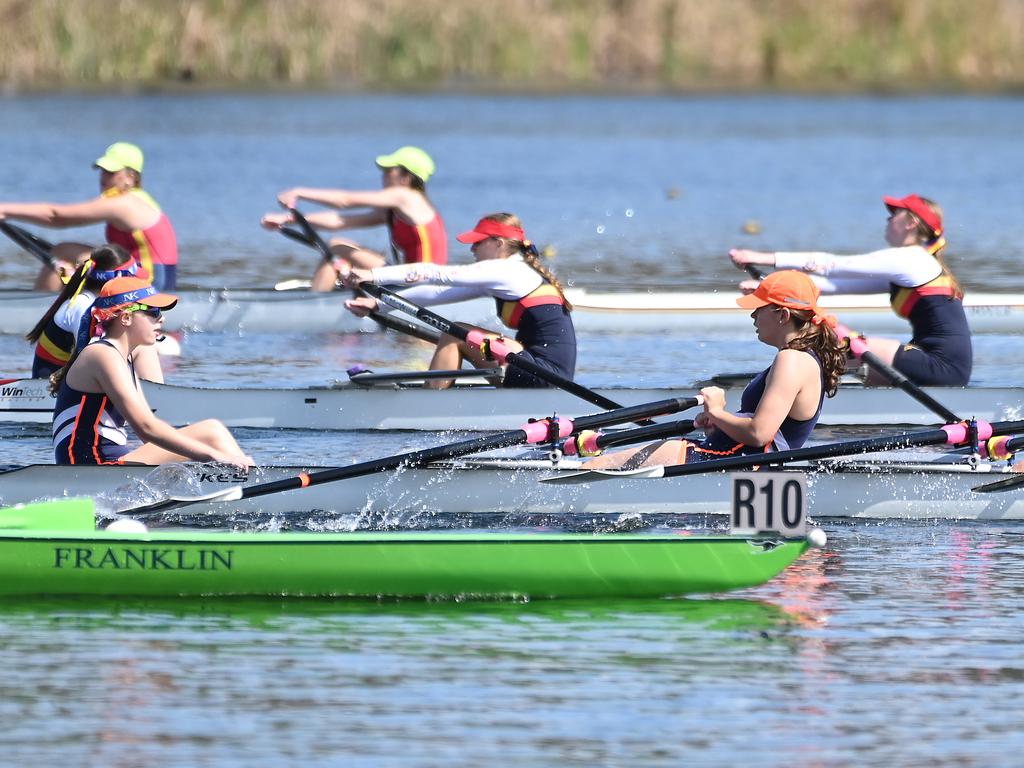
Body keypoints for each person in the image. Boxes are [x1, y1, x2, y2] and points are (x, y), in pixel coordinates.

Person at [583, 271, 846, 469]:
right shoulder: (803, 358)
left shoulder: (792, 360)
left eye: (759, 308)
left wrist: (718, 412)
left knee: (592, 467)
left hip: (736, 463)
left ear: (783, 315)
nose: (753, 316)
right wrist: (720, 423)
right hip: (735, 458)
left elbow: (759, 433)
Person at [729, 194, 971, 387]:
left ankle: (786, 391)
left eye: (894, 214)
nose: (888, 220)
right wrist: (771, 285)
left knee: (827, 349)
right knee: (856, 367)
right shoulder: (916, 264)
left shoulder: (912, 259)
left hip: (941, 365)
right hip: (934, 360)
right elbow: (835, 286)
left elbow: (832, 265)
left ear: (911, 223)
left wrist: (758, 257)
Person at [344, 213, 575, 389]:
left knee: (456, 334)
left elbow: (433, 273)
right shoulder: (514, 272)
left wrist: (373, 275)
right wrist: (379, 304)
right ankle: (437, 391)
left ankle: (429, 402)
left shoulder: (507, 270)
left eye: (478, 242)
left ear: (499, 244)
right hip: (540, 369)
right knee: (464, 334)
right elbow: (437, 293)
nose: (472, 248)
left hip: (544, 373)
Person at [51, 276, 252, 468]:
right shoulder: (102, 355)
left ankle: (242, 482)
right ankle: (251, 485)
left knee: (210, 435)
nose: (161, 319)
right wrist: (214, 454)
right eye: (154, 312)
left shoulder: (122, 356)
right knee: (212, 432)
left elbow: (149, 425)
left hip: (108, 462)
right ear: (127, 317)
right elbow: (146, 429)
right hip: (89, 467)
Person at [262, 146, 447, 291]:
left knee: (336, 247)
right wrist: (287, 219)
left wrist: (299, 192)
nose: (383, 176)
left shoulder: (406, 196)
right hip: (409, 277)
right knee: (339, 246)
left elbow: (345, 201)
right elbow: (340, 221)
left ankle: (315, 305)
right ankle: (320, 298)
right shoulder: (394, 211)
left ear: (406, 178)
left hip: (425, 281)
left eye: (388, 171)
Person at [0, 142, 179, 292]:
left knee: (63, 253)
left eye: (111, 172)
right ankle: (59, 308)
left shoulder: (125, 204)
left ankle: (39, 313)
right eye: (102, 170)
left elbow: (56, 217)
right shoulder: (136, 199)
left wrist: (4, 210)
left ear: (130, 176)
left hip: (150, 286)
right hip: (144, 279)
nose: (103, 177)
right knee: (69, 262)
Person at [27, 243, 162, 382]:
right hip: (50, 388)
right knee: (144, 346)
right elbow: (96, 359)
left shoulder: (103, 305)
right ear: (117, 281)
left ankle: (152, 395)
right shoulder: (81, 305)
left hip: (78, 380)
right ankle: (156, 397)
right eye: (135, 281)